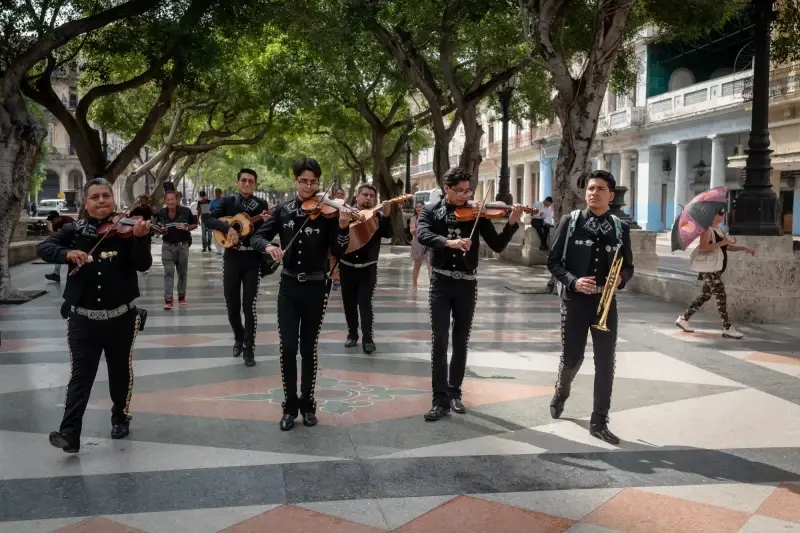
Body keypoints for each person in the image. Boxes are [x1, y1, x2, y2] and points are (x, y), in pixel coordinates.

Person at [37, 178, 152, 453]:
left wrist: (140, 238)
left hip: (121, 318)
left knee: (119, 372)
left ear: (113, 200)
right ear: (85, 204)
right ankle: (69, 433)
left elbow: (143, 264)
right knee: (81, 376)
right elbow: (44, 248)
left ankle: (120, 416)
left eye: (106, 196)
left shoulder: (128, 229)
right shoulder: (73, 230)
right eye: (95, 197)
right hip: (82, 319)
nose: (101, 201)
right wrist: (68, 253)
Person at [250, 158, 351, 431]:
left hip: (318, 287)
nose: (309, 186)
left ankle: (308, 404)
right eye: (304, 181)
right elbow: (256, 237)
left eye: (314, 182)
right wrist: (268, 247)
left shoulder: (329, 211)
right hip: (289, 287)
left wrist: (342, 227)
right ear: (295, 180)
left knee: (308, 348)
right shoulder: (283, 210)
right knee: (287, 347)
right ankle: (289, 405)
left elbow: (339, 250)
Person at [416, 167, 523, 421]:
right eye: (460, 191)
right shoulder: (432, 211)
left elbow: (497, 245)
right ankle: (438, 398)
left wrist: (512, 222)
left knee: (461, 340)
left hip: (467, 284)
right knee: (440, 339)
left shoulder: (478, 214)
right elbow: (423, 234)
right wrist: (449, 242)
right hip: (440, 284)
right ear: (446, 189)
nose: (466, 196)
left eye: (469, 191)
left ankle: (455, 393)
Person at [547, 170, 634, 445]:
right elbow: (553, 262)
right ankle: (562, 391)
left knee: (606, 363)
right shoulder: (570, 222)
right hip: (575, 302)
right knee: (572, 358)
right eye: (590, 188)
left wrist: (621, 278)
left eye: (600, 189)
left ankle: (599, 421)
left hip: (606, 303)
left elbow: (629, 266)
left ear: (611, 195)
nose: (593, 193)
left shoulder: (621, 228)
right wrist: (573, 281)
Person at [203, 169, 269, 367]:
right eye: (243, 180)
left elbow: (265, 230)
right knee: (232, 305)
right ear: (238, 182)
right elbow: (207, 220)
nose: (247, 183)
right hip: (232, 258)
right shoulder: (227, 202)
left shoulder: (262, 205)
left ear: (255, 184)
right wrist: (227, 227)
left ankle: (249, 348)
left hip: (252, 258)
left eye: (251, 181)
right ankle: (239, 337)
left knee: (249, 306)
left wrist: (263, 223)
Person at [675, 209, 754, 339]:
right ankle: (727, 327)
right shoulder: (707, 229)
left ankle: (684, 319)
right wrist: (723, 242)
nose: (723, 215)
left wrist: (744, 249)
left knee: (705, 295)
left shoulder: (718, 229)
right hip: (709, 269)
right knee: (720, 295)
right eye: (720, 213)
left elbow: (726, 247)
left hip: (715, 268)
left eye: (723, 213)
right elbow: (703, 248)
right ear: (713, 215)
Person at [340, 183, 393, 354]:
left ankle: (368, 338)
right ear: (357, 197)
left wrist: (387, 216)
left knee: (365, 304)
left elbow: (388, 234)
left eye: (372, 195)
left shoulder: (377, 216)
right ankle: (352, 334)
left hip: (368, 268)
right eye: (365, 194)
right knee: (349, 304)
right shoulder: (346, 214)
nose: (368, 198)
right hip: (346, 267)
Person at [154, 186, 197, 309]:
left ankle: (181, 296)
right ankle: (168, 300)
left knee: (182, 273)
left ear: (176, 199)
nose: (171, 202)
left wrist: (186, 228)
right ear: (165, 201)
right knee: (168, 272)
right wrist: (161, 230)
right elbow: (156, 227)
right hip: (167, 246)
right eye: (168, 200)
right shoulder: (161, 213)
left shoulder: (185, 211)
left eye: (173, 199)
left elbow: (195, 223)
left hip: (182, 246)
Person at [44, 210, 76, 282]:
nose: (51, 222)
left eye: (52, 220)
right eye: (50, 220)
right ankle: (56, 274)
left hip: (74, 241)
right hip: (64, 241)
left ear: (58, 217)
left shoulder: (68, 220)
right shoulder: (55, 224)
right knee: (58, 254)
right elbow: (55, 235)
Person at [409, 201, 431, 290]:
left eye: (420, 206)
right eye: (417, 207)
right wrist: (422, 228)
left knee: (430, 264)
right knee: (417, 265)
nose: (418, 208)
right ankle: (414, 284)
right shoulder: (414, 218)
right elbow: (412, 231)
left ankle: (432, 285)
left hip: (428, 243)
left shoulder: (430, 217)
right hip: (417, 243)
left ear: (424, 207)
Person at [209, 188, 224, 254]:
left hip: (224, 220)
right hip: (215, 220)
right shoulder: (212, 202)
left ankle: (225, 246)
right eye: (216, 193)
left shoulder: (224, 201)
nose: (217, 195)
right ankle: (219, 250)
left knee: (224, 234)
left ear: (221, 193)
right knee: (216, 235)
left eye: (218, 193)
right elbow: (210, 211)